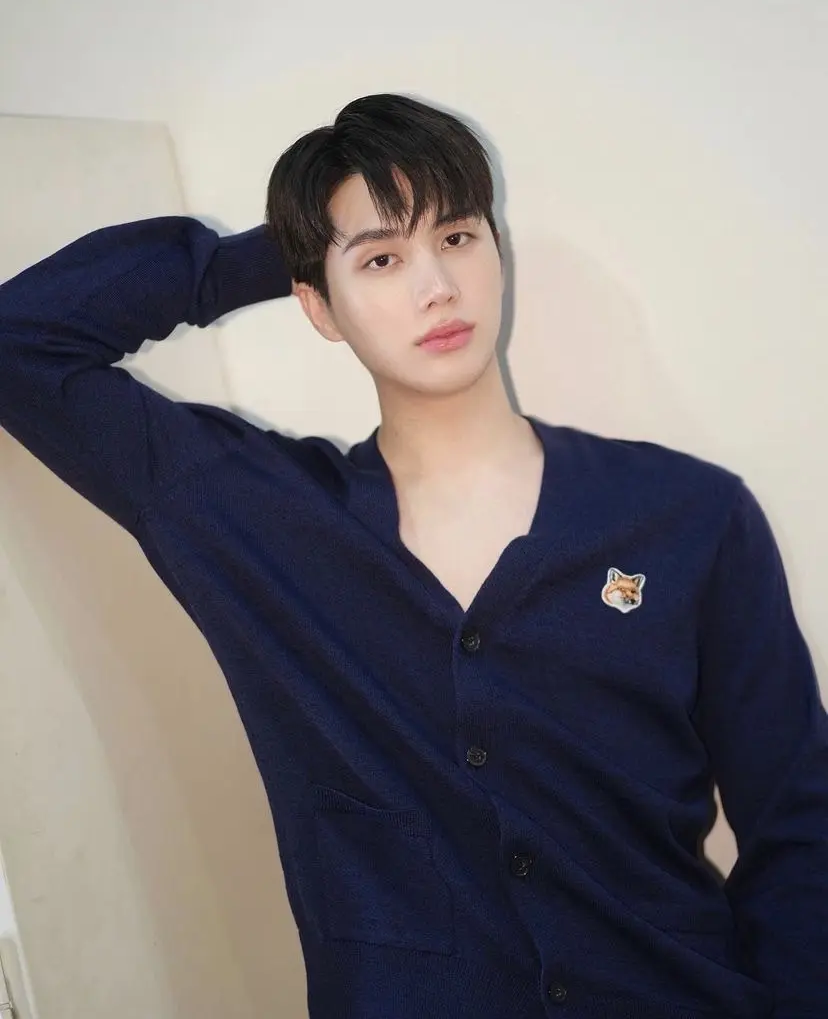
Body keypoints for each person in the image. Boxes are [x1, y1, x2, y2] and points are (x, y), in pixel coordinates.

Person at [1, 93, 826, 1018]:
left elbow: (801, 823)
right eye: (383, 260)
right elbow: (19, 342)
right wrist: (292, 245)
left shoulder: (686, 516)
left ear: (497, 251)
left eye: (458, 237)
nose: (437, 286)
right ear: (317, 305)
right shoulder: (259, 520)